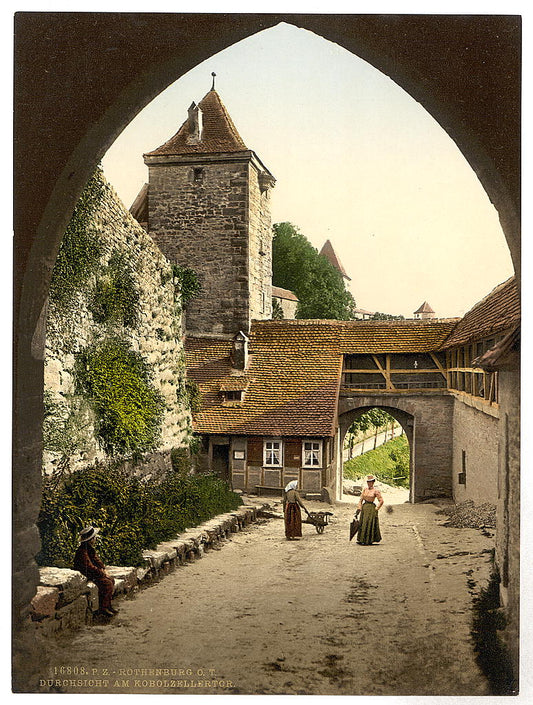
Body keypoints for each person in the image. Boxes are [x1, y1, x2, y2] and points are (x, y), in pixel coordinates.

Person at [73, 526, 118, 616]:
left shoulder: (89, 548)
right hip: (86, 573)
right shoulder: (82, 551)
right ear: (90, 540)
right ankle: (103, 608)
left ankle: (108, 605)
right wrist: (102, 574)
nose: (95, 539)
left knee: (111, 580)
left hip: (92, 572)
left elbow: (97, 560)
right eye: (94, 538)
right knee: (106, 583)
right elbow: (89, 567)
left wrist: (103, 569)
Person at [355, 474, 383, 545]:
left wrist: (376, 508)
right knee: (363, 523)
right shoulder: (365, 490)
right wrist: (359, 508)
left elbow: (381, 500)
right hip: (365, 508)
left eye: (371, 482)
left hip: (371, 508)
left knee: (370, 523)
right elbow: (361, 499)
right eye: (368, 482)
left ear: (373, 482)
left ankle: (370, 539)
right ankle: (362, 539)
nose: (369, 483)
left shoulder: (376, 491)